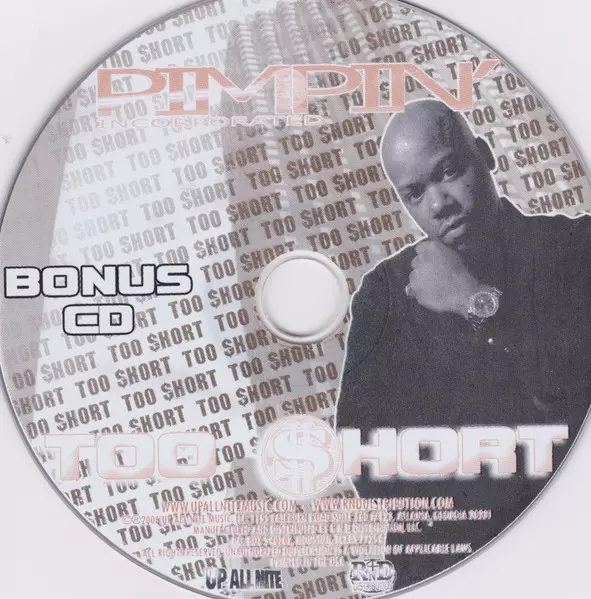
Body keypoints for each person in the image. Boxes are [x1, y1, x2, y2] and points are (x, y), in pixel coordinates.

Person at [336, 99, 591, 589]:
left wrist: (473, 302)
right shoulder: (383, 295)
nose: (438, 204)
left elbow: (571, 411)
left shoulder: (576, 252)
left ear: (486, 156)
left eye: (448, 172)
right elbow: (367, 461)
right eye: (415, 194)